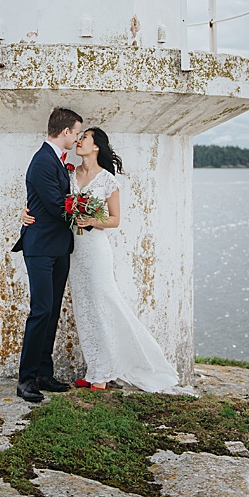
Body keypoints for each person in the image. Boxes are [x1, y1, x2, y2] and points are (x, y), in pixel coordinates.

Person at [66, 126, 183, 394]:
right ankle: (95, 370)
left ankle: (117, 368)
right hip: (74, 250)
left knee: (105, 304)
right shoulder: (70, 174)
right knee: (83, 308)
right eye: (80, 136)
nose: (79, 140)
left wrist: (91, 220)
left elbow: (115, 220)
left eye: (84, 137)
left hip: (95, 249)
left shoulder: (107, 180)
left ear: (96, 147)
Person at [16, 107, 82, 403]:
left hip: (58, 247)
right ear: (65, 131)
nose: (77, 138)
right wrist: (86, 214)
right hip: (41, 247)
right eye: (76, 132)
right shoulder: (43, 160)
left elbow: (52, 201)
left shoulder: (56, 160)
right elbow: (57, 204)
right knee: (40, 311)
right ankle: (26, 379)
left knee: (52, 311)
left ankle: (44, 373)